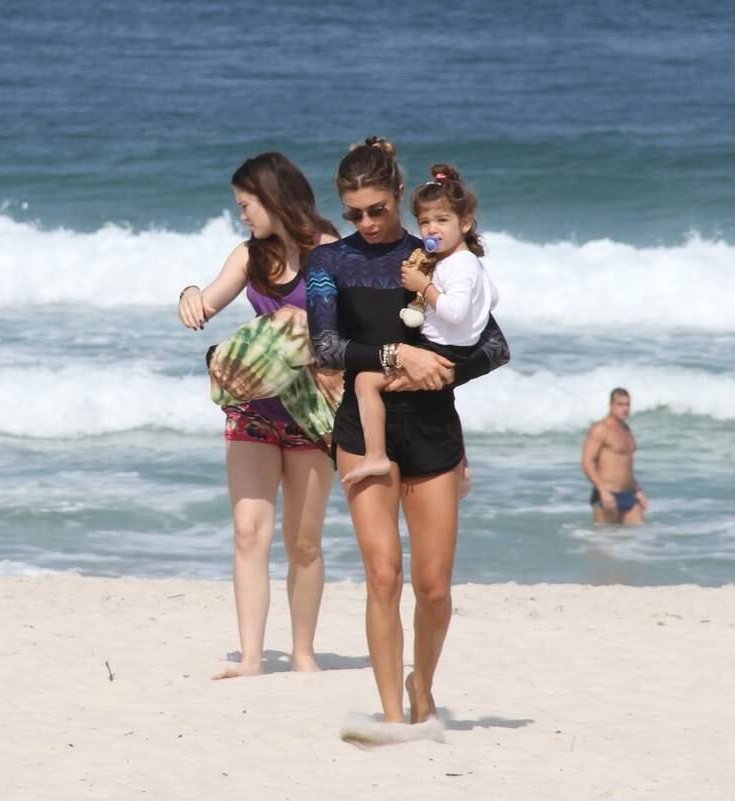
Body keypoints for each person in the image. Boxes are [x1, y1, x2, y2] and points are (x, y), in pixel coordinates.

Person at [307, 137, 510, 725]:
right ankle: (393, 714)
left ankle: (423, 684)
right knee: (382, 575)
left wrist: (435, 374)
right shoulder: (328, 263)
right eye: (353, 213)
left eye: (376, 209)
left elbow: (492, 346)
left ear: (398, 194)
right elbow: (325, 348)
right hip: (361, 430)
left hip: (432, 429)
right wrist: (398, 356)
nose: (367, 223)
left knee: (434, 588)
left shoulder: (440, 256)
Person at [177, 152, 339, 679]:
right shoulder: (249, 257)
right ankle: (250, 657)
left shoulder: (331, 253)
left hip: (311, 411)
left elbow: (356, 329)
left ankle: (303, 653)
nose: (242, 215)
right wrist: (190, 296)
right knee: (250, 532)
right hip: (253, 408)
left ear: (272, 198)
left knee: (304, 541)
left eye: (246, 205)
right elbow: (209, 298)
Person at [341, 163, 498, 487]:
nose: (430, 229)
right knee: (439, 395)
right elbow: (490, 298)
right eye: (425, 221)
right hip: (453, 351)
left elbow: (459, 315)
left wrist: (422, 287)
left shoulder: (457, 266)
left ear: (465, 222)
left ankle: (375, 455)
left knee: (366, 383)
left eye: (442, 220)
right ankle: (463, 463)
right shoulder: (461, 262)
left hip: (440, 350)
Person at [582, 387, 648, 525]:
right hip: (607, 494)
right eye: (620, 404)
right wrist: (602, 490)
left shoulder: (626, 429)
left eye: (627, 405)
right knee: (607, 542)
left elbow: (625, 466)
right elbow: (587, 463)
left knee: (639, 540)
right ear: (611, 405)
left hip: (628, 494)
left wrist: (638, 490)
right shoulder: (601, 429)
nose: (624, 409)